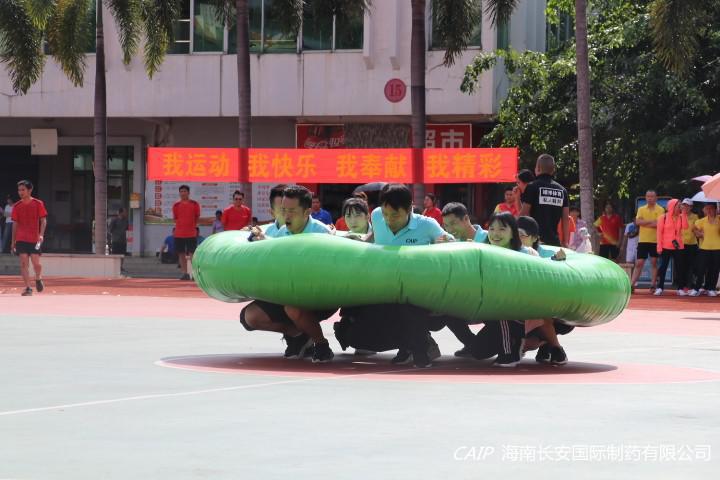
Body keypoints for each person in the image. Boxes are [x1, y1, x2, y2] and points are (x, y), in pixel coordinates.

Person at [243, 186, 336, 363]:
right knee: (251, 317)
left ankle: (321, 344)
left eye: (292, 211)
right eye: (284, 210)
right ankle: (298, 335)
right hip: (287, 292)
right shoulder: (280, 233)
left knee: (293, 308)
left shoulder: (322, 233)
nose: (286, 216)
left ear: (307, 212)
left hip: (319, 295)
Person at [472, 213, 527, 367]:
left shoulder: (524, 254)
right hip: (490, 313)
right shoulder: (482, 252)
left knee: (501, 309)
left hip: (517, 313)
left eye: (502, 229)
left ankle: (507, 354)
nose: (495, 234)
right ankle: (516, 341)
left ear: (513, 233)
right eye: (491, 229)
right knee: (477, 351)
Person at [517, 215, 570, 365]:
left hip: (547, 310)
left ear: (534, 238)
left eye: (522, 235)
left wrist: (556, 261)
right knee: (528, 341)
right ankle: (544, 345)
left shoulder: (543, 253)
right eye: (514, 234)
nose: (517, 239)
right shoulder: (509, 252)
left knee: (541, 314)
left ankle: (555, 348)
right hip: (519, 310)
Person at [520, 153, 570, 247]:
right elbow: (566, 218)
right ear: (553, 169)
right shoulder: (562, 190)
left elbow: (523, 215)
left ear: (538, 168)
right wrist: (565, 242)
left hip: (535, 242)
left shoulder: (532, 187)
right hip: (554, 242)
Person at [11, 180, 47, 296]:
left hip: (34, 239)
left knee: (36, 264)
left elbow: (43, 220)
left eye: (23, 190)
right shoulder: (16, 206)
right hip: (21, 238)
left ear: (30, 190)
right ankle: (28, 288)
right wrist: (13, 241)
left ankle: (38, 277)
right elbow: (15, 224)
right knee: (23, 264)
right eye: (19, 190)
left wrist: (41, 234)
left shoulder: (38, 203)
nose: (20, 192)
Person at [630, 190, 665, 292]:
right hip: (643, 240)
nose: (650, 198)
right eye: (648, 196)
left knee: (654, 262)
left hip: (655, 240)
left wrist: (644, 222)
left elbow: (658, 224)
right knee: (639, 263)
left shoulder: (660, 209)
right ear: (645, 197)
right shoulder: (641, 209)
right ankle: (631, 285)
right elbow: (637, 222)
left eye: (652, 196)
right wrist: (651, 222)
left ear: (656, 198)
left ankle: (653, 285)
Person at [654, 198, 688, 296]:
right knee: (663, 267)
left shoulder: (681, 217)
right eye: (678, 206)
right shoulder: (663, 217)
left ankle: (680, 288)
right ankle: (660, 287)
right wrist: (659, 247)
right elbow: (659, 233)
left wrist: (684, 213)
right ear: (672, 206)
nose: (680, 207)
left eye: (680, 206)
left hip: (678, 246)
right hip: (665, 246)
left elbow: (685, 227)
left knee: (680, 267)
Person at [689, 203, 720, 297]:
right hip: (704, 248)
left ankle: (711, 288)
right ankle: (696, 288)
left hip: (717, 248)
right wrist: (698, 233)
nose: (709, 211)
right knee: (701, 269)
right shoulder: (702, 221)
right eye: (707, 209)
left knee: (714, 269)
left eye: (711, 209)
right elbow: (693, 228)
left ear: (715, 209)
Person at [172, 185, 200, 281]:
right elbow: (175, 218)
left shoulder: (194, 204)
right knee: (181, 253)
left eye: (185, 191)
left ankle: (193, 273)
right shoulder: (176, 205)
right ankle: (185, 273)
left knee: (192, 254)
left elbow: (197, 217)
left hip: (191, 233)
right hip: (179, 233)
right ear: (179, 193)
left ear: (188, 192)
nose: (183, 193)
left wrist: (191, 225)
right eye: (181, 191)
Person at [679, 198, 699, 295]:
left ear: (691, 207)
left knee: (691, 266)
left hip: (692, 244)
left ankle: (690, 286)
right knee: (681, 265)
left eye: (688, 206)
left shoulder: (695, 217)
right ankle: (681, 286)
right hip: (680, 245)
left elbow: (696, 229)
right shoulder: (678, 216)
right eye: (684, 205)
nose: (685, 207)